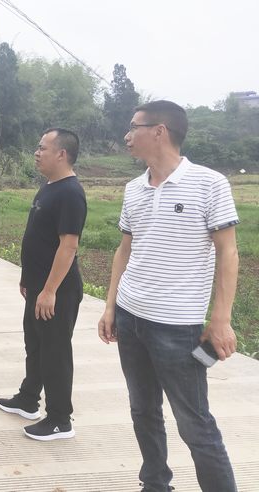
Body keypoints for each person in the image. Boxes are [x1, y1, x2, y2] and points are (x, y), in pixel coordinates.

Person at [98, 100, 239, 492]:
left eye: (134, 127)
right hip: (130, 318)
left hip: (177, 327)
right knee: (143, 410)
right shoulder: (134, 189)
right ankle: (155, 483)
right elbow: (125, 249)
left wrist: (221, 320)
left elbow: (228, 252)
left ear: (159, 131)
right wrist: (110, 306)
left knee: (195, 423)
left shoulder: (210, 184)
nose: (127, 135)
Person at [0, 128, 87, 441]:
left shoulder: (70, 193)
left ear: (61, 154)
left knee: (55, 352)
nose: (36, 153)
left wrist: (49, 291)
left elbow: (68, 246)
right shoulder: (49, 186)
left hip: (57, 289)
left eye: (42, 148)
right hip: (38, 285)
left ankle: (60, 419)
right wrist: (29, 279)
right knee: (35, 345)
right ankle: (28, 399)